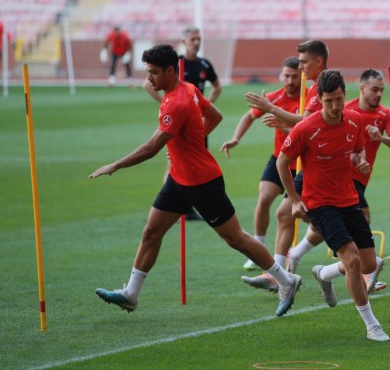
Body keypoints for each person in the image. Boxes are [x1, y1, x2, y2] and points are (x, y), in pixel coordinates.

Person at [90, 44, 300, 317]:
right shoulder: (187, 89)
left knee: (236, 239)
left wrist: (116, 164)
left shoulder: (178, 100)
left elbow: (152, 147)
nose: (149, 78)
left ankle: (286, 281)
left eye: (153, 72)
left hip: (202, 183)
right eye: (147, 72)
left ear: (169, 70)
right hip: (179, 179)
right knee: (151, 232)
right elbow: (214, 116)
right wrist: (190, 144)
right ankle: (131, 294)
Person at [277, 69, 389, 341]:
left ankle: (324, 274)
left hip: (348, 198)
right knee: (351, 259)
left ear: (345, 95)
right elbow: (282, 162)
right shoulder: (306, 128)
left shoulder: (354, 120)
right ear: (320, 98)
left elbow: (356, 151)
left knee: (367, 264)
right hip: (320, 203)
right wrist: (294, 200)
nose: (335, 106)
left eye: (339, 99)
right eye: (329, 101)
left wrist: (358, 162)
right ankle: (372, 325)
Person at [286, 68, 390, 292]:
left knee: (332, 223)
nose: (379, 94)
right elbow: (308, 123)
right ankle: (285, 267)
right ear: (361, 89)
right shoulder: (341, 108)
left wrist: (382, 139)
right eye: (374, 89)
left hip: (355, 179)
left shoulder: (384, 114)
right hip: (333, 176)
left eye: (382, 90)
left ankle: (313, 262)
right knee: (292, 212)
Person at [239, 40, 328, 291]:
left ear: (318, 62)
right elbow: (308, 124)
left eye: (303, 63)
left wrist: (272, 109)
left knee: (328, 224)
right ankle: (280, 275)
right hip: (302, 162)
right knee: (283, 212)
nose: (299, 68)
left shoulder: (321, 86)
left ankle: (366, 261)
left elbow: (308, 122)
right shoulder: (312, 87)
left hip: (319, 165)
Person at [220, 56, 301, 270]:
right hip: (279, 159)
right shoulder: (274, 98)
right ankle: (258, 249)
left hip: (302, 164)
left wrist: (287, 128)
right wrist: (236, 138)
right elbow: (249, 116)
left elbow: (310, 128)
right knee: (264, 198)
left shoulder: (308, 100)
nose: (290, 80)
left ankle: (300, 250)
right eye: (287, 75)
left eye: (295, 76)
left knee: (302, 215)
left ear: (302, 76)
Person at [145, 26, 222, 220]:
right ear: (184, 42)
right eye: (192, 39)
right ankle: (173, 204)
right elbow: (148, 85)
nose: (196, 42)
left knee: (192, 163)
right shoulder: (176, 64)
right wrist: (167, 103)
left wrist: (206, 105)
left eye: (198, 39)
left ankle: (182, 204)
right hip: (180, 121)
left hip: (196, 124)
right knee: (174, 165)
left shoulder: (204, 64)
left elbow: (217, 86)